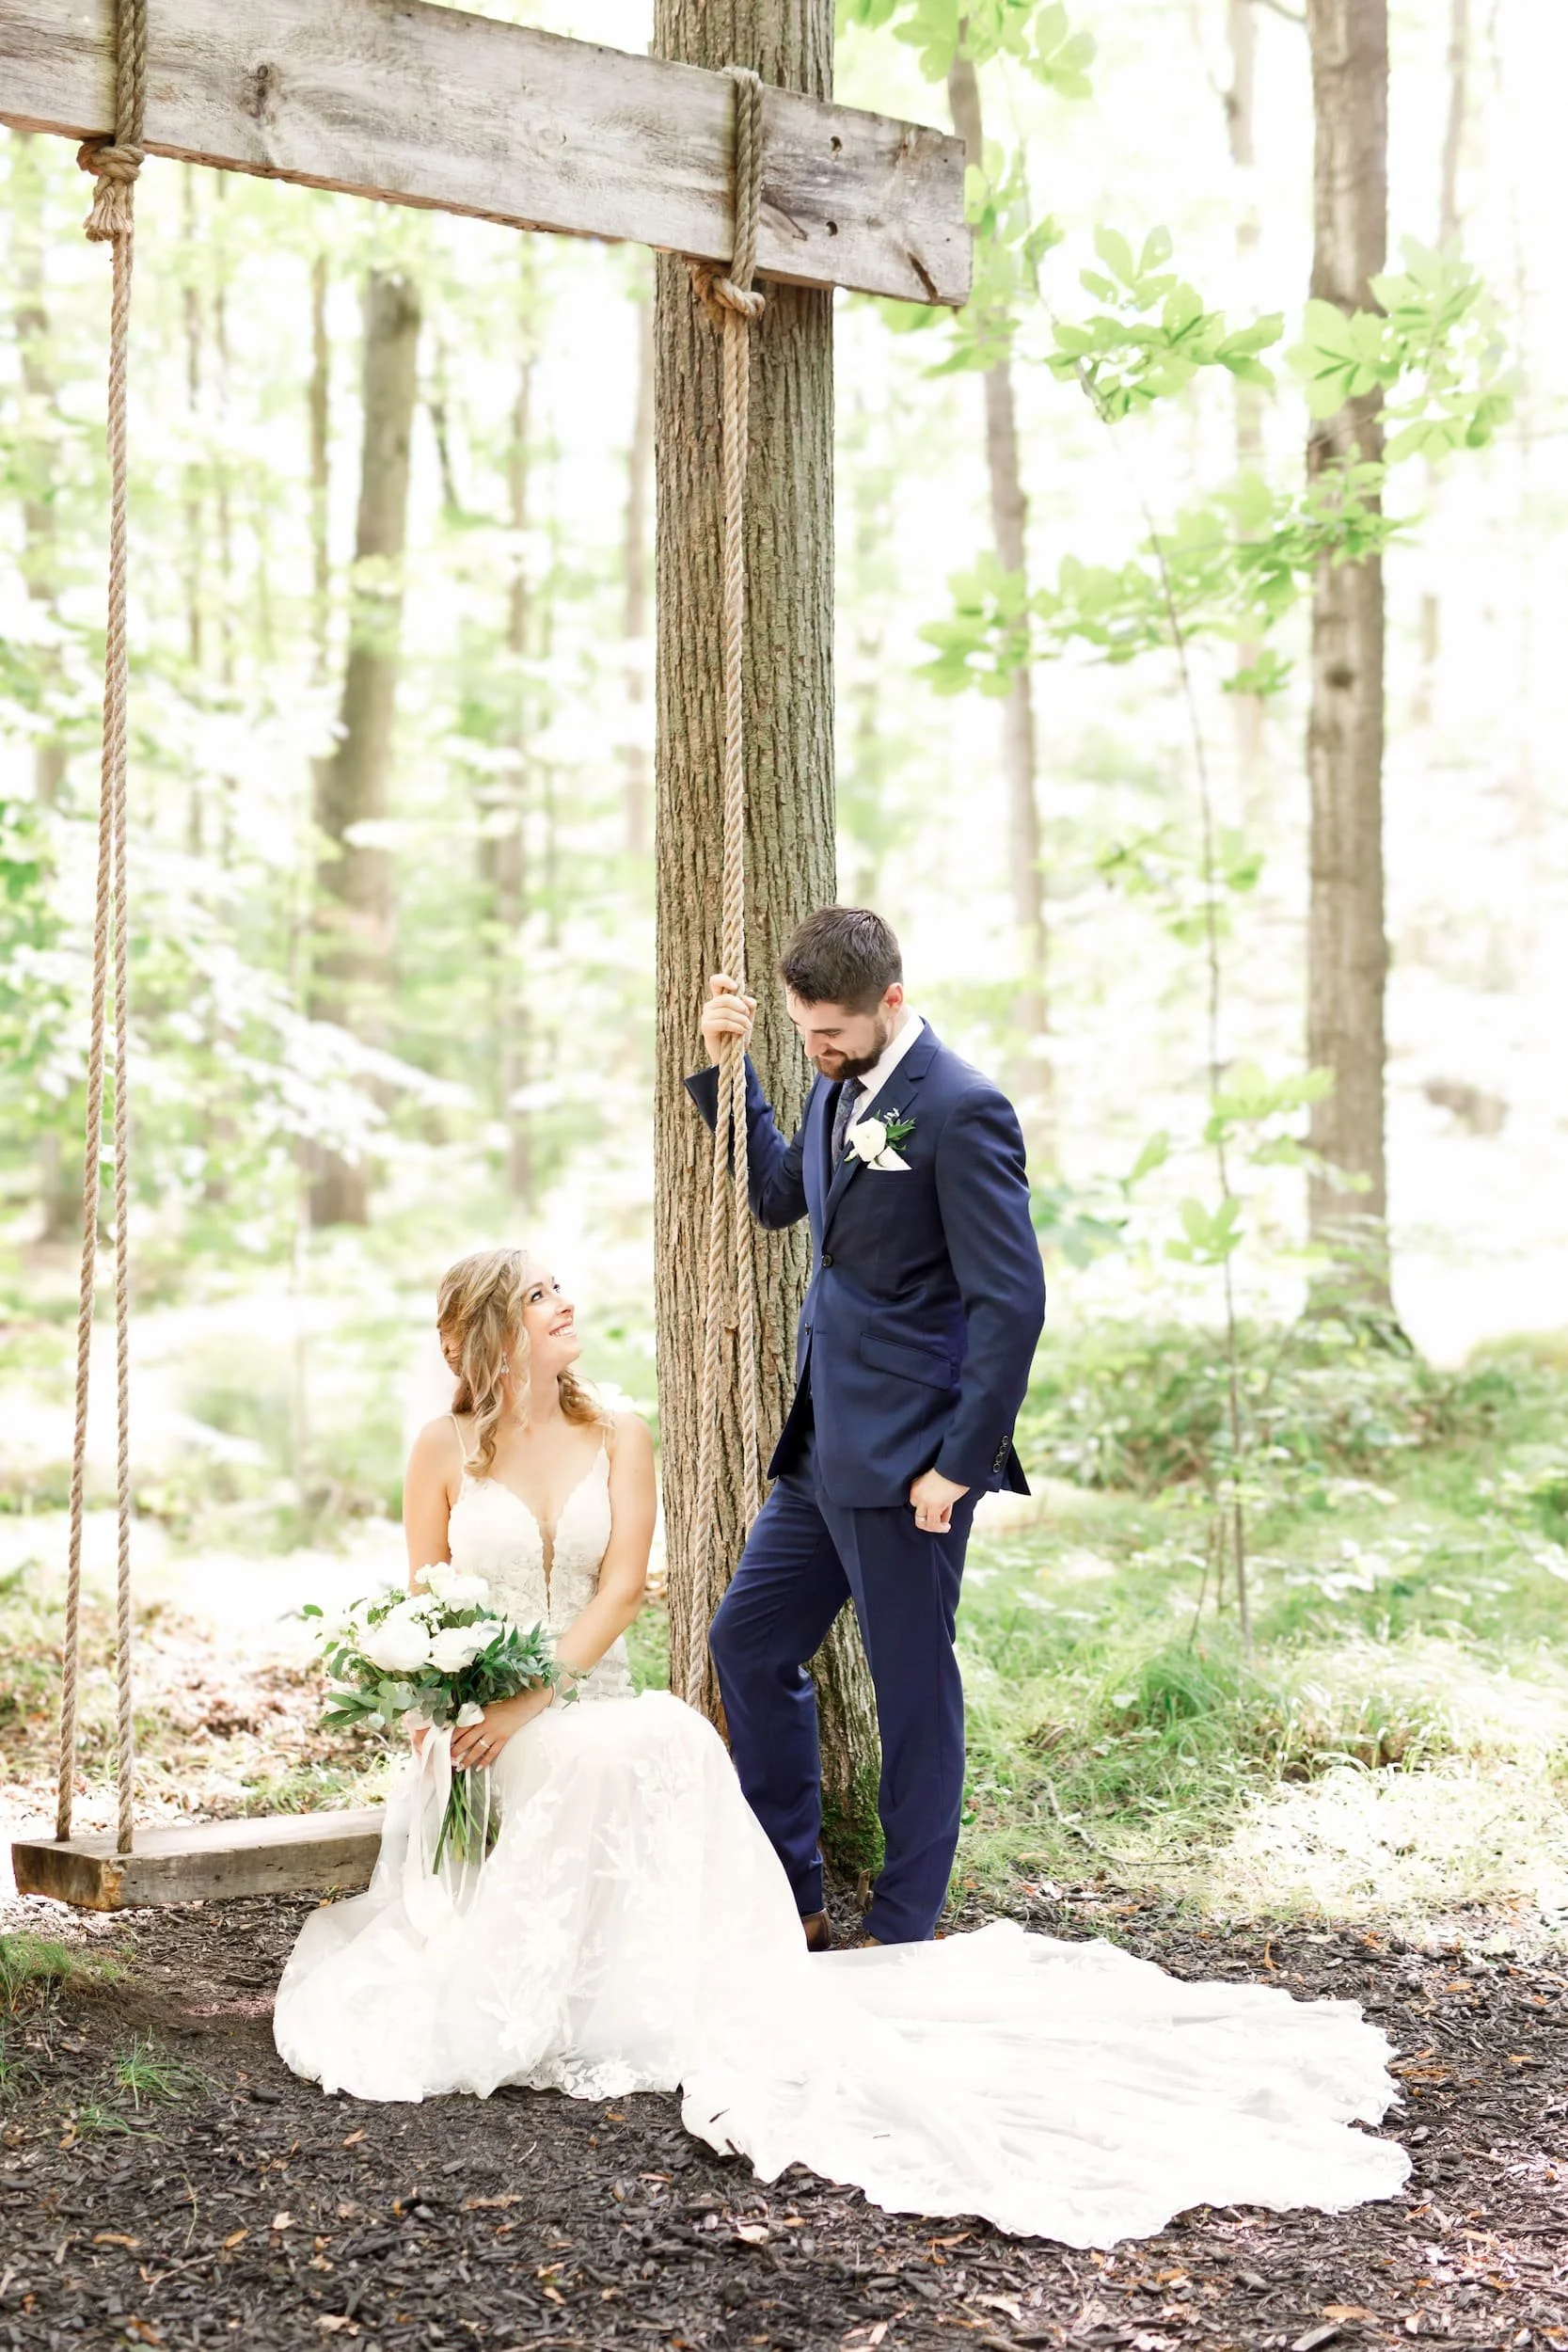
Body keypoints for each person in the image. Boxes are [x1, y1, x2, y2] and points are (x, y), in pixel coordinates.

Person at [274, 1259, 1409, 2243]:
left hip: (576, 1691)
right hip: (476, 1714)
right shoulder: (439, 1447)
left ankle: (675, 1972)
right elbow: (421, 1591)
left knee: (659, 1734)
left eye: (561, 1286)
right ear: (488, 1330)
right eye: (539, 1293)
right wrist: (442, 1696)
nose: (567, 1303)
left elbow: (622, 1588)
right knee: (563, 1753)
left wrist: (533, 1696)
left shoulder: (616, 1429)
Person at [687, 906, 1046, 1948]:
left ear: (892, 999)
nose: (820, 1048)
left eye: (832, 1031)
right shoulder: (828, 1080)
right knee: (744, 1643)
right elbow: (772, 1196)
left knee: (911, 1691)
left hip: (909, 1470)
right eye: (803, 1033)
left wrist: (957, 1467)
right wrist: (733, 1070)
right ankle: (792, 1899)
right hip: (818, 1451)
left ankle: (901, 1929)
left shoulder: (964, 1108)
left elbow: (1009, 1306)